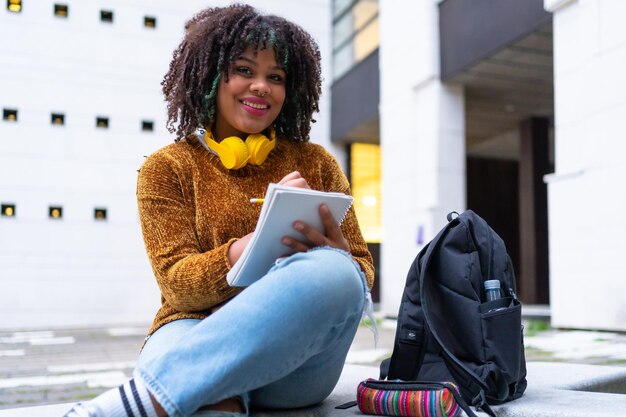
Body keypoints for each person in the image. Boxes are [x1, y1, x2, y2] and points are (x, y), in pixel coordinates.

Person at [64, 4, 374, 417]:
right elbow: (177, 287)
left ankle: (127, 405)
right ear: (211, 76)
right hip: (193, 327)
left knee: (338, 273)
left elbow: (362, 275)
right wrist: (248, 245)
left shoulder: (318, 162)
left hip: (297, 362)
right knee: (208, 402)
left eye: (276, 77)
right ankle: (184, 395)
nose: (261, 86)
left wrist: (335, 256)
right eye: (245, 70)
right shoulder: (167, 167)